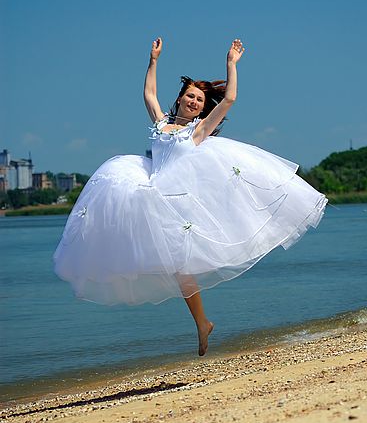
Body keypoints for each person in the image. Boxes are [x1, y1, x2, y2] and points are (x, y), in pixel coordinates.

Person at [53, 37, 328, 356]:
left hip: (176, 201)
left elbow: (229, 100)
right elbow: (149, 94)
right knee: (168, 265)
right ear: (181, 99)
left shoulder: (197, 131)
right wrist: (153, 60)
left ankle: (201, 323)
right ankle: (202, 323)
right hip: (149, 194)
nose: (195, 102)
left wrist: (231, 65)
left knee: (181, 268)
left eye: (199, 99)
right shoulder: (161, 124)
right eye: (190, 97)